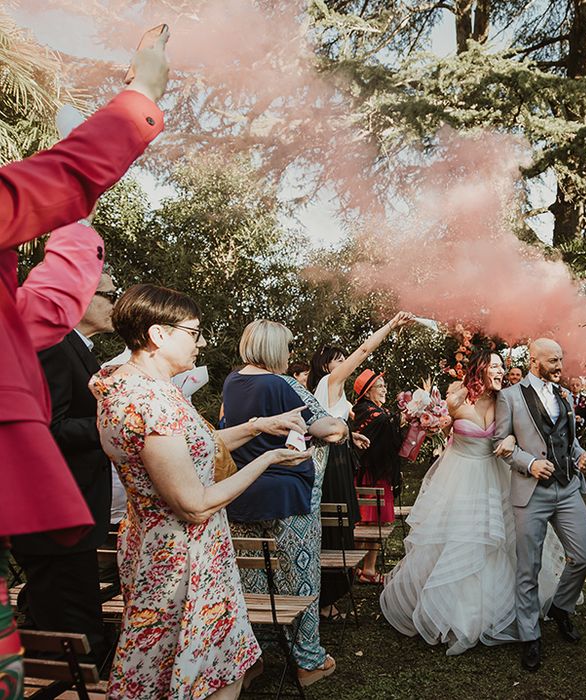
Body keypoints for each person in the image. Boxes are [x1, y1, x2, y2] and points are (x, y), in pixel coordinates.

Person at [0, 36, 170, 695]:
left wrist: (76, 226)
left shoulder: (43, 320)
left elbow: (40, 302)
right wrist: (141, 96)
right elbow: (62, 180)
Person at [91, 284, 309, 699]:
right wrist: (267, 459)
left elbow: (191, 446)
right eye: (193, 331)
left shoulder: (127, 385)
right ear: (159, 334)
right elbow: (192, 505)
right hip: (183, 558)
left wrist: (258, 426)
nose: (202, 341)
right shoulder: (152, 402)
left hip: (155, 546)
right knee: (208, 674)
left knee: (173, 665)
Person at [380, 350, 568, 655]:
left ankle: (487, 616)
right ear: (479, 369)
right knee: (460, 542)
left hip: (495, 477)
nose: (500, 371)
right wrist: (425, 421)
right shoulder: (455, 398)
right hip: (459, 477)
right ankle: (452, 617)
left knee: (497, 545)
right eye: (494, 366)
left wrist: (513, 442)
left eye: (501, 367)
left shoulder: (506, 400)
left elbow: (523, 433)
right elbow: (435, 429)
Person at [223, 319, 348, 688]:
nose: (291, 353)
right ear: (275, 349)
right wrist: (338, 429)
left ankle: (254, 659)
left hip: (242, 492)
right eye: (289, 347)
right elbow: (323, 427)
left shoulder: (232, 382)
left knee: (252, 580)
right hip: (286, 494)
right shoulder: (281, 383)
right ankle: (308, 660)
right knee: (300, 576)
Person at [12, 271, 118, 663]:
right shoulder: (54, 345)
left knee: (55, 626)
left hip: (63, 517)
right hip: (56, 520)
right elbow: (46, 427)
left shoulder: (74, 346)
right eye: (109, 294)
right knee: (78, 638)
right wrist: (111, 422)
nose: (115, 303)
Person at [493, 338, 586, 672]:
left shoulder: (564, 395)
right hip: (531, 492)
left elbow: (570, 439)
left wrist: (582, 456)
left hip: (567, 489)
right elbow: (501, 443)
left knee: (584, 555)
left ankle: (562, 606)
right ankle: (530, 635)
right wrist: (528, 463)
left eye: (561, 360)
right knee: (529, 567)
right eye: (554, 361)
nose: (560, 367)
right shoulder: (509, 397)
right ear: (534, 361)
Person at [307, 312, 413, 617]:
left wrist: (352, 437)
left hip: (339, 456)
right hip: (333, 462)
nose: (345, 364)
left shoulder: (329, 390)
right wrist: (391, 326)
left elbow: (337, 419)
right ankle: (326, 601)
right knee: (336, 529)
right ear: (327, 366)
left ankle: (329, 597)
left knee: (340, 525)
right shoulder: (331, 380)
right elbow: (365, 350)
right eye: (339, 360)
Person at [351, 369, 404, 583]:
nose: (385, 389)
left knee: (376, 523)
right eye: (380, 386)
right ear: (367, 391)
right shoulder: (368, 412)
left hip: (380, 474)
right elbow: (385, 428)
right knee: (365, 523)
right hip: (368, 475)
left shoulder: (379, 412)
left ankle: (367, 569)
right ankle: (359, 568)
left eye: (384, 386)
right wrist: (402, 419)